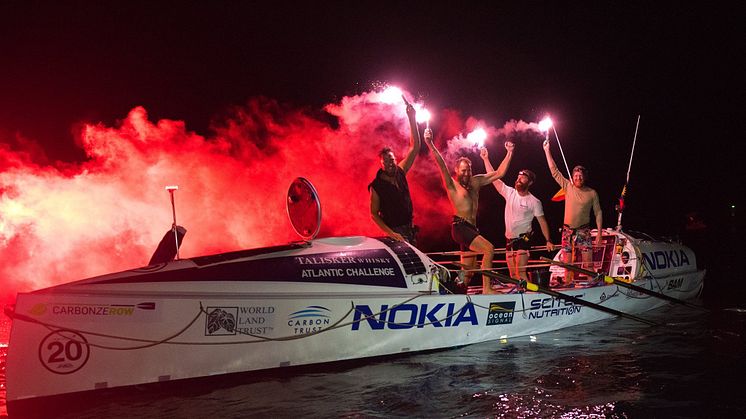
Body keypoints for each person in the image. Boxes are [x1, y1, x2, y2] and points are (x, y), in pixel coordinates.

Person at [425, 128, 512, 294]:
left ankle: (458, 290)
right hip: (459, 227)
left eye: (468, 170)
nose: (466, 173)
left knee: (469, 269)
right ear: (457, 170)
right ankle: (487, 288)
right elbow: (440, 162)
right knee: (489, 249)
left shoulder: (476, 182)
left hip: (471, 229)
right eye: (463, 170)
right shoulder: (452, 185)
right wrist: (429, 142)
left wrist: (509, 152)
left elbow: (500, 173)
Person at [481, 147, 554, 283]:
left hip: (524, 240)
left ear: (530, 182)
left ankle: (529, 297)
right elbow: (493, 177)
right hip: (509, 240)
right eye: (518, 177)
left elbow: (542, 222)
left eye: (523, 178)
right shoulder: (509, 192)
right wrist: (485, 158)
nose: (519, 180)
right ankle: (520, 297)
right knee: (513, 275)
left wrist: (548, 240)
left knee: (521, 272)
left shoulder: (534, 201)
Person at [543, 138, 602, 285]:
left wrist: (599, 233)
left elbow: (598, 213)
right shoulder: (567, 186)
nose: (578, 177)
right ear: (572, 177)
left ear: (584, 177)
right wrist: (547, 150)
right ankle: (568, 283)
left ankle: (592, 282)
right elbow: (554, 171)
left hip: (584, 231)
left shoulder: (592, 193)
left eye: (580, 176)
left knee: (588, 262)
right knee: (566, 262)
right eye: (575, 175)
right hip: (567, 231)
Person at [368, 100, 421, 244]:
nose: (389, 163)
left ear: (395, 159)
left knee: (414, 265)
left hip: (410, 230)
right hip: (395, 233)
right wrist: (391, 233)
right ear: (381, 163)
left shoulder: (400, 171)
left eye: (391, 160)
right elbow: (373, 214)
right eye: (386, 161)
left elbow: (415, 147)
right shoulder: (377, 186)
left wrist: (411, 117)